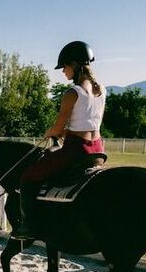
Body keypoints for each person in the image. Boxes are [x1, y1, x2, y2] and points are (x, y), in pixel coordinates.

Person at [11, 40, 107, 240]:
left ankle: (28, 227)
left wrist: (51, 132)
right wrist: (64, 132)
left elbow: (57, 128)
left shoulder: (72, 93)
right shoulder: (102, 90)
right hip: (98, 151)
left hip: (77, 151)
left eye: (64, 67)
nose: (63, 71)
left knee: (28, 176)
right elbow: (87, 123)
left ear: (75, 65)